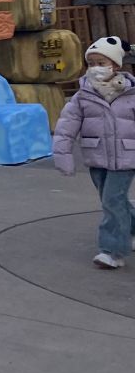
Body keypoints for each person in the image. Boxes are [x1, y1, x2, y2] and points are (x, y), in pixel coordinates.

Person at [52, 35, 135, 269]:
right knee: (113, 201)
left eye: (102, 62)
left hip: (127, 157)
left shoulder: (131, 94)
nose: (96, 68)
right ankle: (132, 227)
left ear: (116, 65)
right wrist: (63, 155)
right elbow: (66, 127)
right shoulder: (82, 96)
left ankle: (112, 251)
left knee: (112, 200)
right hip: (96, 156)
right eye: (92, 63)